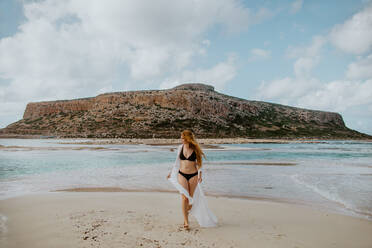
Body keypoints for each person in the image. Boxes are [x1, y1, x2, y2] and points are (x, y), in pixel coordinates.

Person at [166, 130, 218, 230]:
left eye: (182, 138)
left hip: (193, 175)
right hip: (182, 174)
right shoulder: (180, 148)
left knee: (190, 199)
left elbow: (199, 163)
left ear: (187, 138)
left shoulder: (195, 149)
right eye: (181, 138)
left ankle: (191, 207)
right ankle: (186, 221)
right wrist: (171, 172)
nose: (181, 140)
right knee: (185, 198)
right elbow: (177, 162)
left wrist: (200, 174)